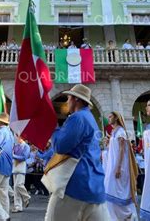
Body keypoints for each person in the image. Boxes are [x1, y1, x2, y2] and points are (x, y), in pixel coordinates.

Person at [45, 84, 110, 221]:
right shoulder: (90, 118)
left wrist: (53, 128)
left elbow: (60, 147)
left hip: (74, 184)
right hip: (95, 185)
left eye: (68, 98)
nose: (67, 101)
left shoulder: (77, 117)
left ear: (76, 99)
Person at [104, 111, 139, 220]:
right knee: (109, 189)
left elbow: (121, 150)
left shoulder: (121, 131)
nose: (109, 119)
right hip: (112, 165)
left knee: (118, 190)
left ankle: (126, 214)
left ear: (116, 118)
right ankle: (114, 216)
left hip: (120, 165)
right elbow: (113, 149)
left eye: (110, 116)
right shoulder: (114, 131)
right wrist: (108, 144)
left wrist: (118, 167)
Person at [11, 136, 31, 213]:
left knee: (18, 185)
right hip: (15, 168)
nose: (16, 138)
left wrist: (13, 155)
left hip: (21, 168)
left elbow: (24, 157)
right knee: (16, 189)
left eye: (18, 136)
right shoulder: (15, 146)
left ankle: (27, 197)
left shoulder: (26, 146)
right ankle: (18, 207)